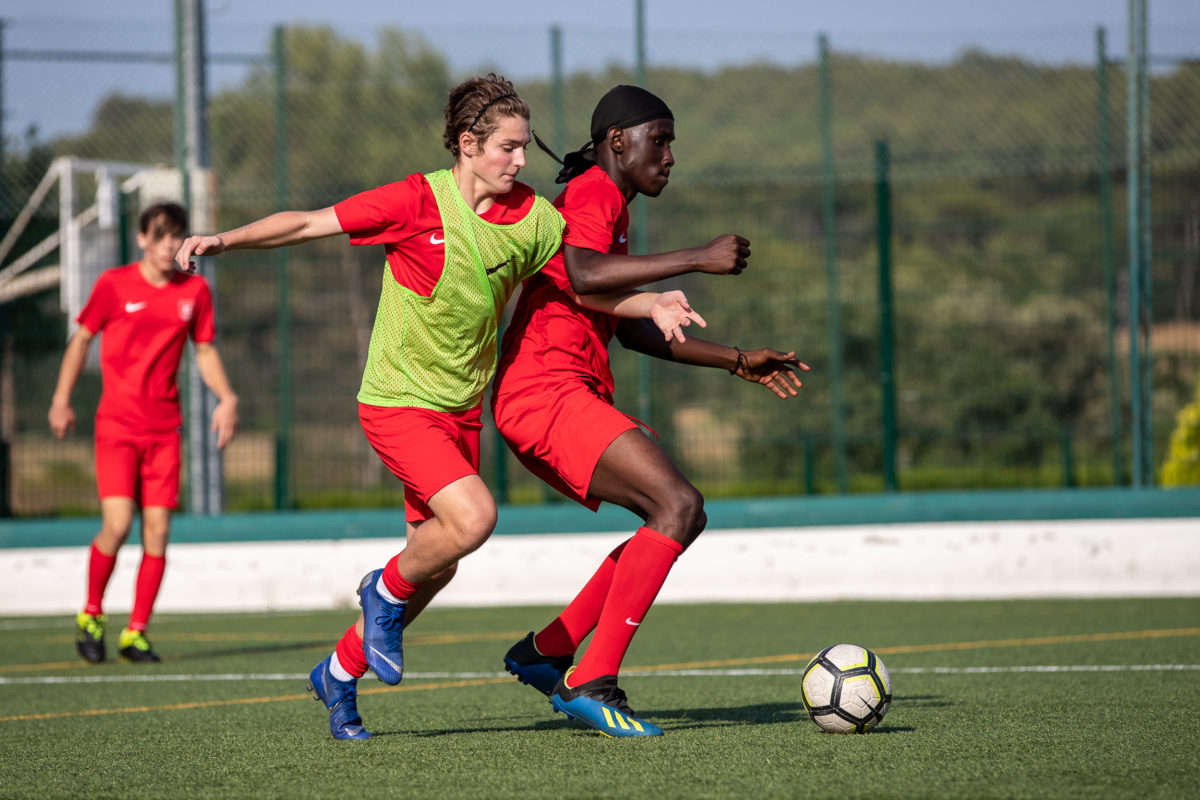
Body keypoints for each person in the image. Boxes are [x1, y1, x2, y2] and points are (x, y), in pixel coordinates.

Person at [173, 74, 704, 741]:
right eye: (507, 148)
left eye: (522, 148)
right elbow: (310, 222)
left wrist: (650, 302)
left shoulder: (536, 220)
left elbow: (585, 290)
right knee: (474, 517)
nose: (520, 161)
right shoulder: (416, 200)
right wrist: (225, 240)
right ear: (468, 144)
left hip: (460, 414)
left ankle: (338, 672)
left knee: (439, 559)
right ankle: (380, 592)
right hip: (396, 403)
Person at [493, 85, 809, 737]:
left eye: (671, 144)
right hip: (545, 390)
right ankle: (591, 678)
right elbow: (582, 273)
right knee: (679, 506)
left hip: (553, 393)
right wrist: (697, 257)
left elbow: (632, 326)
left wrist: (737, 359)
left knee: (667, 518)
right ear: (617, 141)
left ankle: (550, 651)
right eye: (658, 141)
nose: (668, 156)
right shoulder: (593, 194)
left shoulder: (611, 207)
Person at [49, 201, 240, 665]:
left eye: (176, 236)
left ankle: (136, 633)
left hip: (164, 432)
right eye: (159, 236)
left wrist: (227, 397)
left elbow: (205, 351)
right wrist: (60, 399)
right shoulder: (113, 285)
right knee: (116, 526)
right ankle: (91, 614)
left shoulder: (194, 291)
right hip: (116, 427)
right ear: (142, 240)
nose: (168, 245)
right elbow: (80, 341)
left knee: (157, 532)